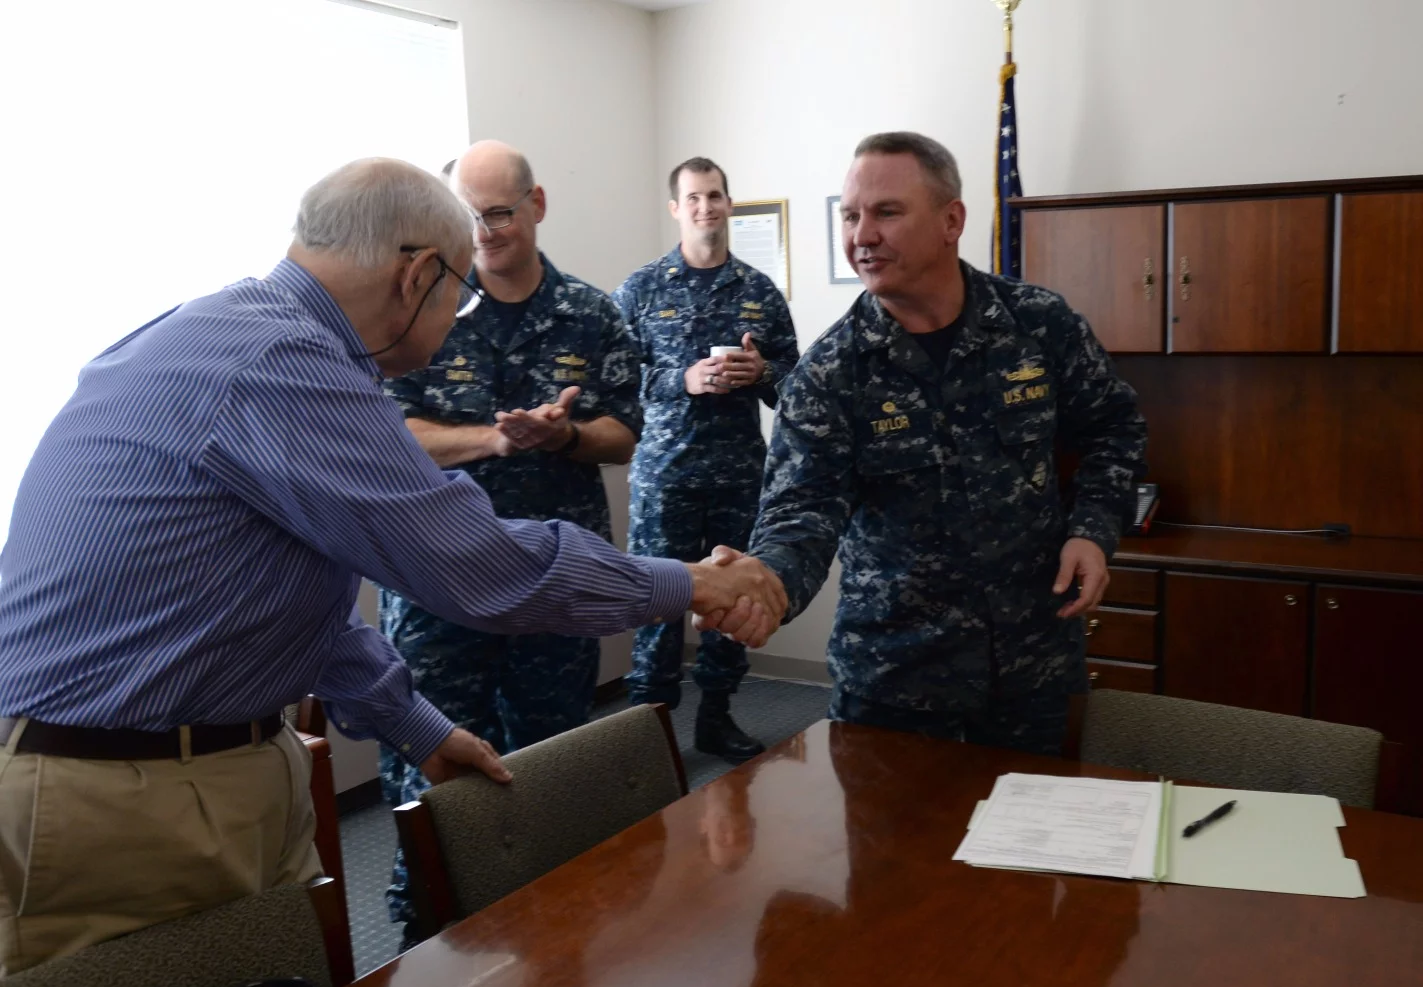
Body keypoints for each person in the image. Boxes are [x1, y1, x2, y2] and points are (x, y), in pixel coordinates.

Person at [0, 157, 785, 976]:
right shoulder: (280, 363)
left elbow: (276, 598)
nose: (459, 314)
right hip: (122, 796)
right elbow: (479, 567)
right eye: (459, 294)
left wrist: (417, 727)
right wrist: (689, 582)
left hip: (193, 772)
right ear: (418, 276)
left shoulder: (234, 332)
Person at [739, 132, 1147, 753]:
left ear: (952, 220)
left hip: (1032, 669)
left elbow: (1114, 428)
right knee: (891, 854)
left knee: (1032, 846)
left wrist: (1093, 530)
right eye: (850, 215)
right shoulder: (830, 372)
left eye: (887, 212)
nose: (861, 235)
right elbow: (801, 513)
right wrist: (764, 584)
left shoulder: (1039, 325)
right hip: (895, 683)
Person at [378, 141, 645, 939]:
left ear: (535, 204)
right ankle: (419, 938)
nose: (486, 231)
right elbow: (393, 434)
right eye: (469, 215)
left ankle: (547, 942)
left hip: (552, 581)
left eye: (499, 212)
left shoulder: (593, 312)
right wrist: (493, 441)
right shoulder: (418, 303)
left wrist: (561, 438)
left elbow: (623, 433)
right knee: (426, 777)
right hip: (439, 584)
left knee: (546, 765)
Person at [613, 157, 799, 764]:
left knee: (731, 601)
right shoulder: (640, 290)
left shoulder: (759, 292)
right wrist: (680, 380)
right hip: (664, 479)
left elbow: (797, 387)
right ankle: (651, 736)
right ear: (676, 208)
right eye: (693, 198)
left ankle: (717, 718)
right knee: (657, 604)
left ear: (728, 203)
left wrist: (762, 371)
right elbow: (611, 386)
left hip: (738, 476)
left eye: (714, 196)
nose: (705, 208)